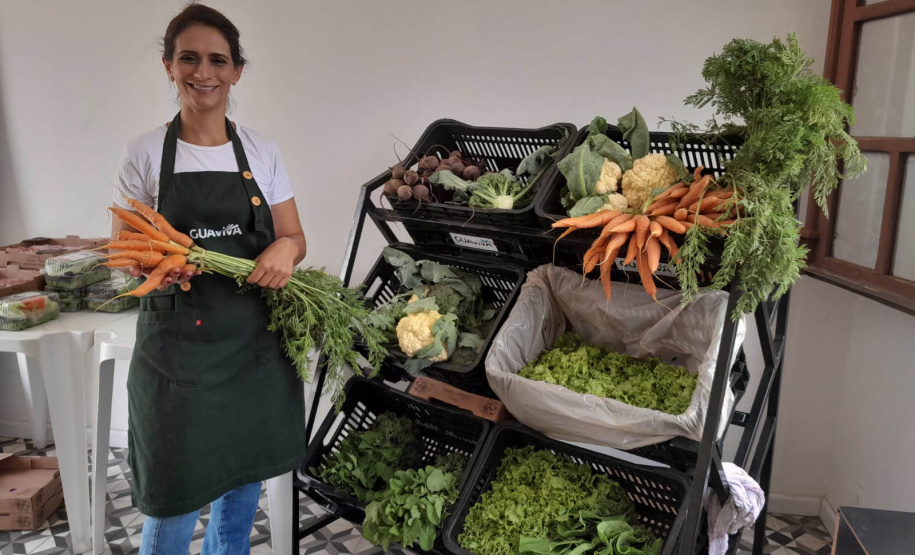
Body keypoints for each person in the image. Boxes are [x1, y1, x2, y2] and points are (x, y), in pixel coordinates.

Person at [110, 4, 307, 553]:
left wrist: (285, 250)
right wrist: (159, 268)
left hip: (252, 349)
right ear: (169, 66)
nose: (203, 72)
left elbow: (295, 236)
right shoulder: (145, 152)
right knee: (171, 498)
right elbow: (125, 251)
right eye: (189, 58)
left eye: (218, 60)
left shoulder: (262, 151)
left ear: (236, 71)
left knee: (240, 494)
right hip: (176, 356)